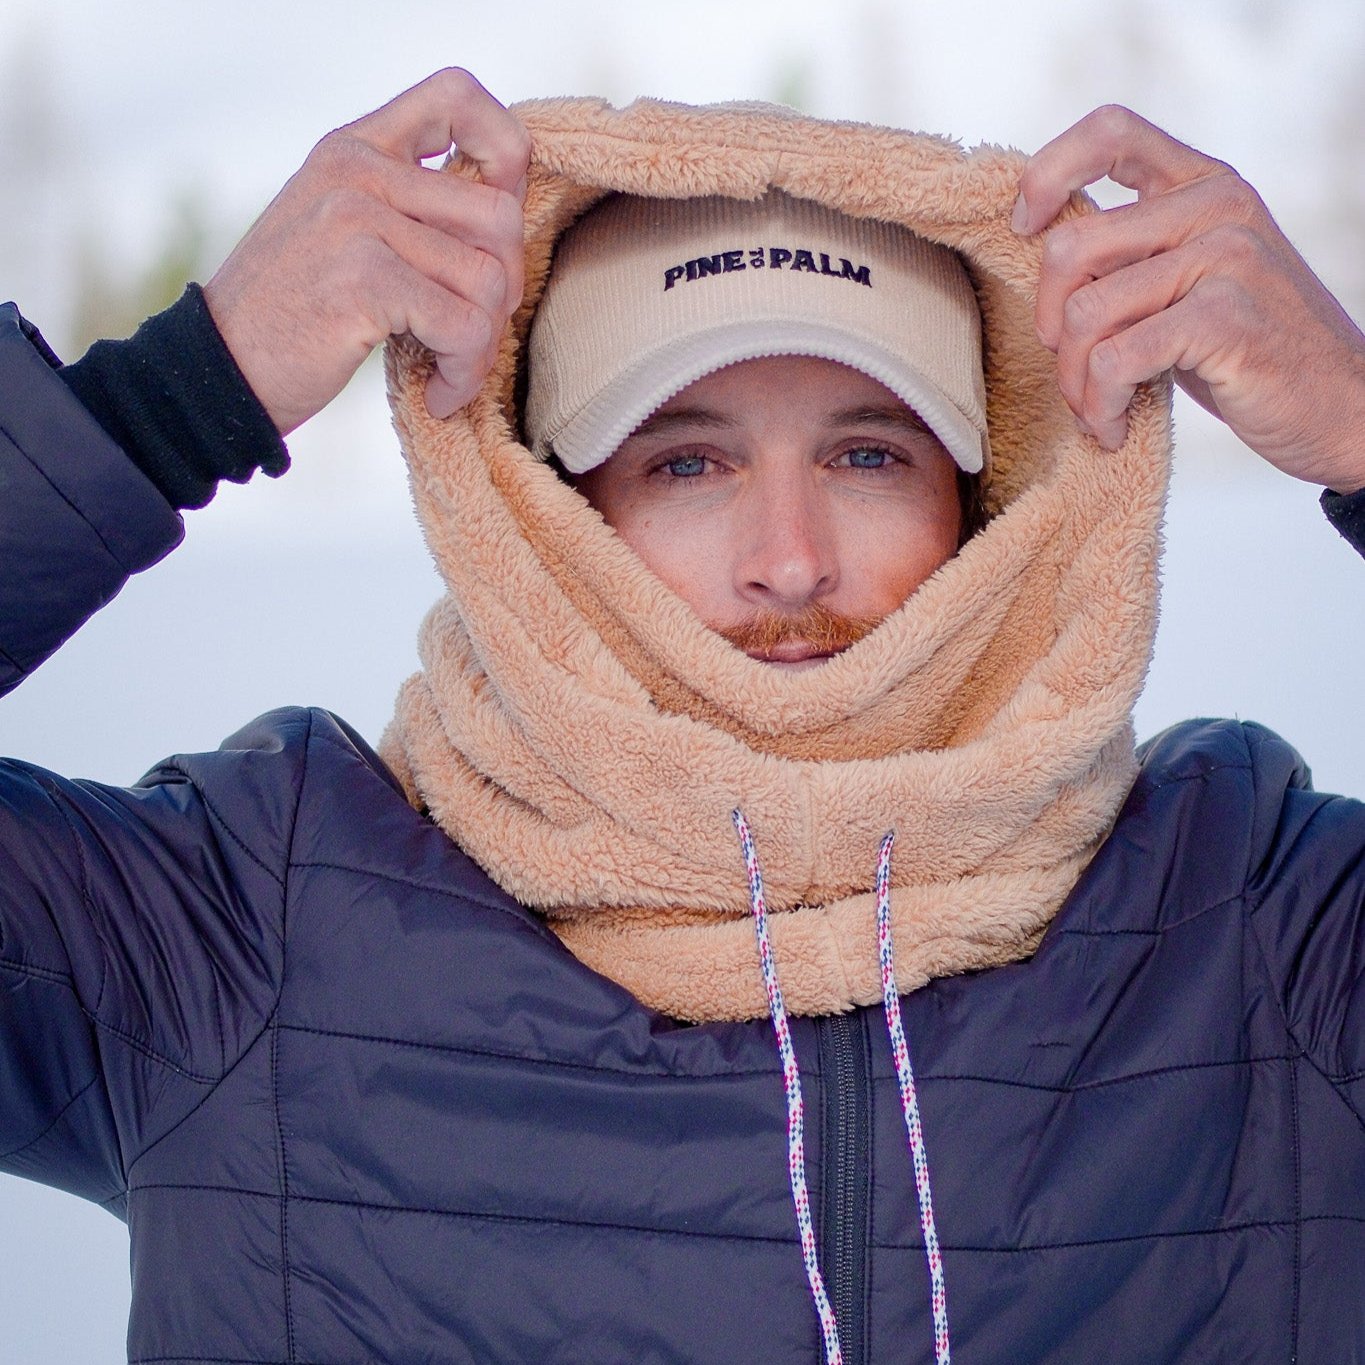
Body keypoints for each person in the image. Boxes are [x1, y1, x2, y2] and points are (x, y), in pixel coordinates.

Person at [3, 67, 1364, 1363]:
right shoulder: (244, 930)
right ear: (546, 509)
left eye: (868, 452)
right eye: (687, 461)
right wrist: (172, 399)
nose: (790, 558)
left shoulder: (1249, 927)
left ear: (984, 498)